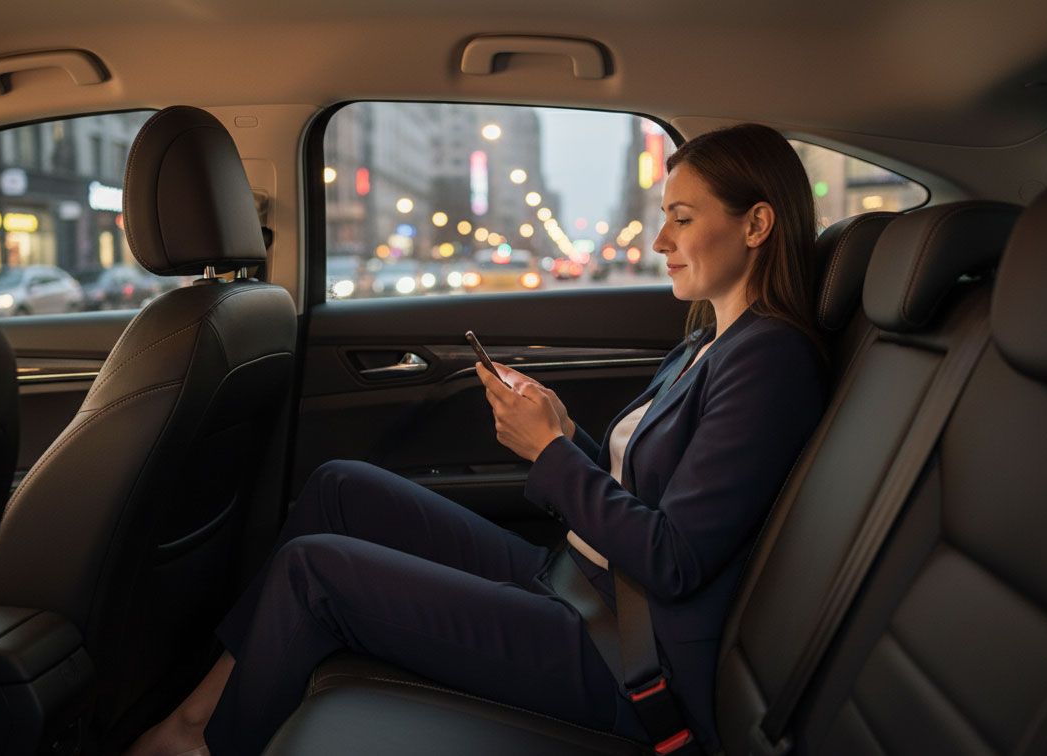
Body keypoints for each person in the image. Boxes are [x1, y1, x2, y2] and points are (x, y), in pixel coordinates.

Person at [127, 123, 828, 756]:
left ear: (756, 224)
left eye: (682, 218)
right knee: (338, 487)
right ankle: (198, 718)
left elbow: (674, 559)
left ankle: (208, 743)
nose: (660, 241)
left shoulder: (770, 360)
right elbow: (644, 487)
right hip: (577, 580)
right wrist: (564, 431)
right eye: (664, 217)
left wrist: (549, 453)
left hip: (625, 652)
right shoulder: (706, 343)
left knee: (314, 571)